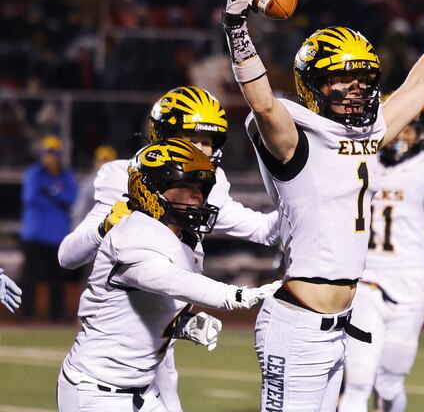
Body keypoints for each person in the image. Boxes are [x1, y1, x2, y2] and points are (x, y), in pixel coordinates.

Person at [221, 0, 424, 409]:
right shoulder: (296, 133)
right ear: (313, 85)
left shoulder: (368, 133)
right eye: (343, 81)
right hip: (298, 323)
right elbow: (263, 105)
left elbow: (421, 86)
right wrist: (236, 27)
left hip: (339, 320)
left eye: (364, 80)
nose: (356, 90)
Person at [57, 85, 281, 412]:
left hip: (160, 334)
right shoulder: (125, 178)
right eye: (194, 139)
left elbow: (264, 230)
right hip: (116, 336)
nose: (204, 150)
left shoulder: (207, 187)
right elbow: (68, 256)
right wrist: (103, 226)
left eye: (210, 142)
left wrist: (305, 198)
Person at [339, 105, 424, 412]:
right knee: (358, 381)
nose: (400, 136)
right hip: (364, 283)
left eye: (408, 128)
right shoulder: (361, 162)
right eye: (397, 127)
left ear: (420, 133)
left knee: (389, 384)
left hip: (411, 289)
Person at [19, 135, 79, 322]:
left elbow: (71, 199)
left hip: (57, 235)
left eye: (55, 154)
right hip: (35, 233)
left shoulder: (66, 176)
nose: (51, 157)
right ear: (42, 155)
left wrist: (51, 192)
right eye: (48, 153)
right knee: (29, 276)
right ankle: (26, 314)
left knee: (57, 278)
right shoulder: (34, 174)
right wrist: (56, 196)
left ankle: (57, 315)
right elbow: (30, 198)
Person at [71, 144, 118, 225]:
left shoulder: (121, 183)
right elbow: (79, 211)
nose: (106, 164)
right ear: (96, 162)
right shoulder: (89, 184)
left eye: (109, 161)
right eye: (103, 160)